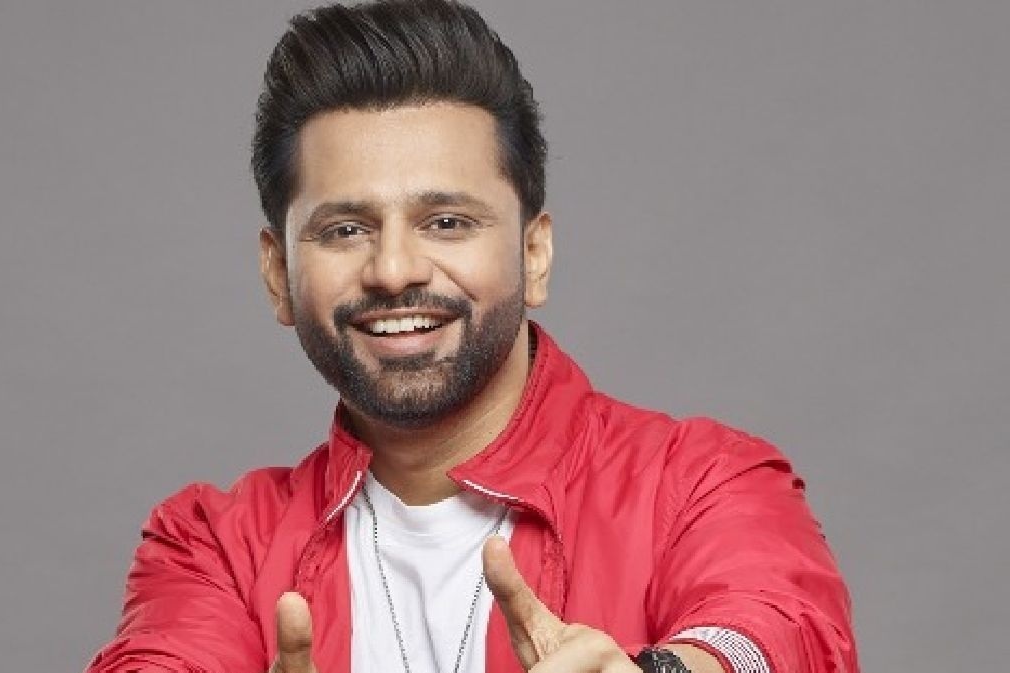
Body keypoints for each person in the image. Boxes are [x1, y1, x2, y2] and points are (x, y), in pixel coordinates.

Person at [86, 1, 857, 672]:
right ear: (277, 274)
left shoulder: (702, 483)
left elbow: (774, 633)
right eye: (345, 228)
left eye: (447, 221)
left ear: (534, 253)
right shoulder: (216, 544)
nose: (394, 269)